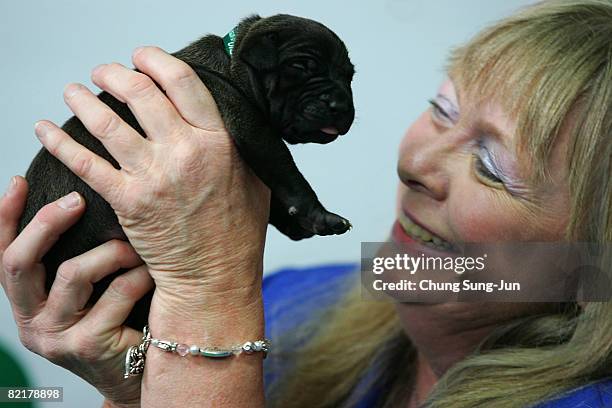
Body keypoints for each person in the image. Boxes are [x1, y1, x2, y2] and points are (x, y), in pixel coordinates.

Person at [1, 0, 611, 406]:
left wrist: (207, 293)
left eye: (491, 166)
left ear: (593, 264)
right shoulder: (292, 300)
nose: (413, 165)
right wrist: (138, 378)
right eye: (442, 109)